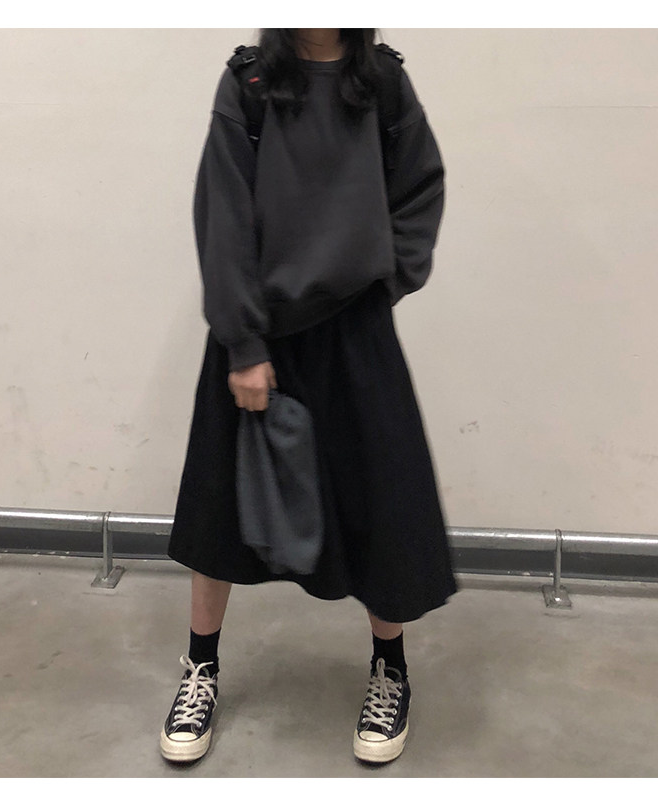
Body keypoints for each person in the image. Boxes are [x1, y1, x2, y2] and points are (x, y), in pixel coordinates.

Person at [160, 28, 458, 766]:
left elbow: (420, 185)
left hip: (354, 329)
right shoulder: (250, 84)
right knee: (221, 507)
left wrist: (386, 277)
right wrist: (244, 343)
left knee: (380, 502)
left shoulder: (382, 83)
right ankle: (200, 665)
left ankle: (390, 669)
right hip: (261, 331)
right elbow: (223, 215)